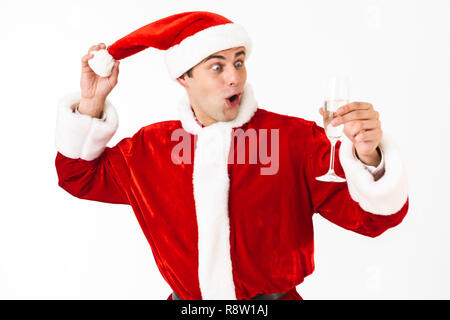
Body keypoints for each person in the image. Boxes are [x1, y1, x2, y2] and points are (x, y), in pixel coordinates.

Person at [54, 11, 409, 300]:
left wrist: (368, 156)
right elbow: (77, 177)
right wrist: (92, 102)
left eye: (239, 63)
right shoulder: (151, 149)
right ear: (184, 78)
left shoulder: (293, 140)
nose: (234, 78)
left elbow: (374, 219)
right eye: (217, 66)